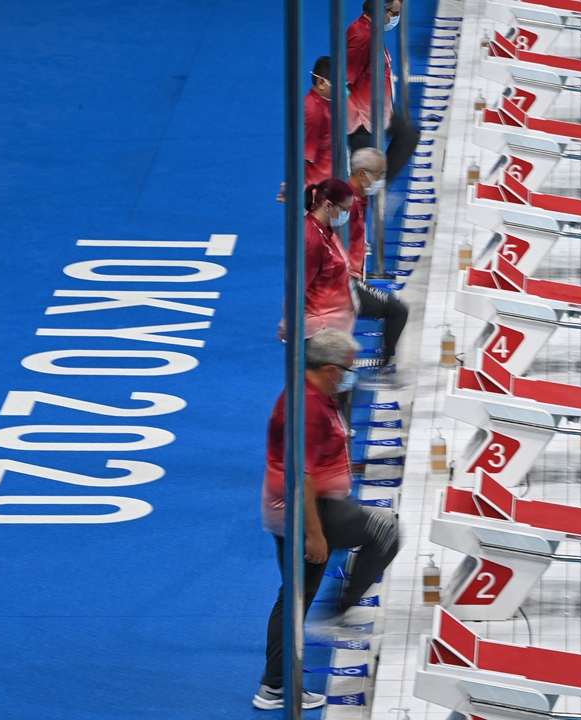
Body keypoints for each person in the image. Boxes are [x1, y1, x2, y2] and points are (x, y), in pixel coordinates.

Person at [254, 328, 400, 711]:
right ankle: (281, 678)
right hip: (305, 513)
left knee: (295, 597)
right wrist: (314, 535)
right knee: (384, 533)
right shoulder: (307, 409)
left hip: (309, 508)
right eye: (348, 370)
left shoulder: (315, 394)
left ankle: (274, 684)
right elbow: (300, 476)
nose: (352, 377)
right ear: (332, 369)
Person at [346, 147, 409, 380]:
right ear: (363, 174)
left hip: (350, 276)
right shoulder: (347, 202)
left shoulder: (357, 198)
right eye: (379, 174)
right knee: (398, 310)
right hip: (343, 282)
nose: (381, 181)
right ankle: (384, 367)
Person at [346, 0, 420, 182]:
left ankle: (380, 184)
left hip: (378, 111)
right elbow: (345, 80)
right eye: (394, 14)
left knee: (407, 136)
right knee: (361, 182)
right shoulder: (363, 37)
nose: (396, 18)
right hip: (363, 120)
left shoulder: (371, 31)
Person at [282, 178, 357, 339]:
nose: (347, 215)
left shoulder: (322, 227)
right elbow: (297, 287)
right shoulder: (312, 240)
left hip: (333, 324)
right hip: (320, 332)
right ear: (328, 205)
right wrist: (289, 324)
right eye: (346, 209)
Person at [305, 56, 335, 187]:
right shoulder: (314, 113)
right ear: (321, 83)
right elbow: (306, 158)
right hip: (322, 186)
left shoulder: (325, 102)